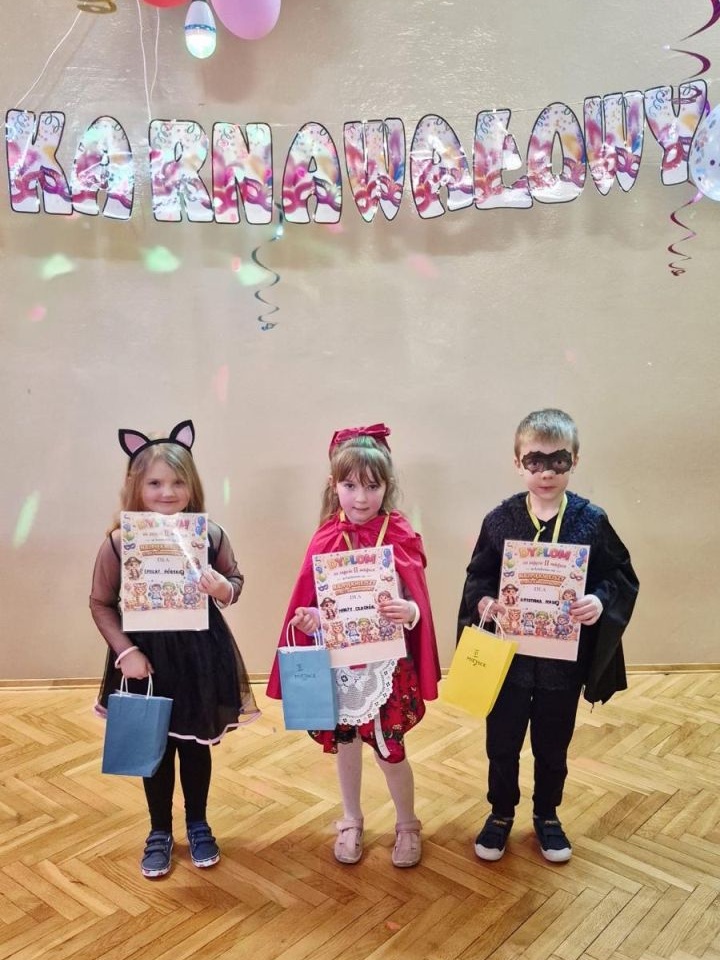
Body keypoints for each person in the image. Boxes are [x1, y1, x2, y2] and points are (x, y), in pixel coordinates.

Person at [457, 409, 638, 864]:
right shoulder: (500, 520)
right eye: (534, 461)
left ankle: (547, 815)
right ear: (517, 462)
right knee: (502, 742)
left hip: (562, 663)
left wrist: (599, 600)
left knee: (553, 745)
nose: (546, 473)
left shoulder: (590, 520)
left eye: (558, 461)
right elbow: (478, 577)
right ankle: (500, 813)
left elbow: (619, 575)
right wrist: (484, 602)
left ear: (575, 460)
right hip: (510, 660)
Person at [90, 419, 259, 879]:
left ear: (192, 485)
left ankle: (198, 823)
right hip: (145, 657)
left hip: (199, 655)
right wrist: (126, 651)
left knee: (195, 745)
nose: (167, 492)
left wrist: (223, 587)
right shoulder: (118, 543)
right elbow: (100, 602)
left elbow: (235, 581)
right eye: (155, 483)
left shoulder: (211, 534)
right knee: (156, 746)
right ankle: (159, 830)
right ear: (136, 486)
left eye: (178, 482)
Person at [267, 424, 441, 868]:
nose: (361, 498)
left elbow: (417, 603)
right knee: (346, 745)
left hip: (386, 669)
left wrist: (410, 611)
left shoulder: (400, 533)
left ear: (387, 485)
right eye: (350, 486)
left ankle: (407, 824)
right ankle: (350, 819)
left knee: (390, 750)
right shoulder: (325, 537)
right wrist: (310, 619)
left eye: (372, 486)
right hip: (340, 667)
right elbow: (315, 604)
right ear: (334, 485)